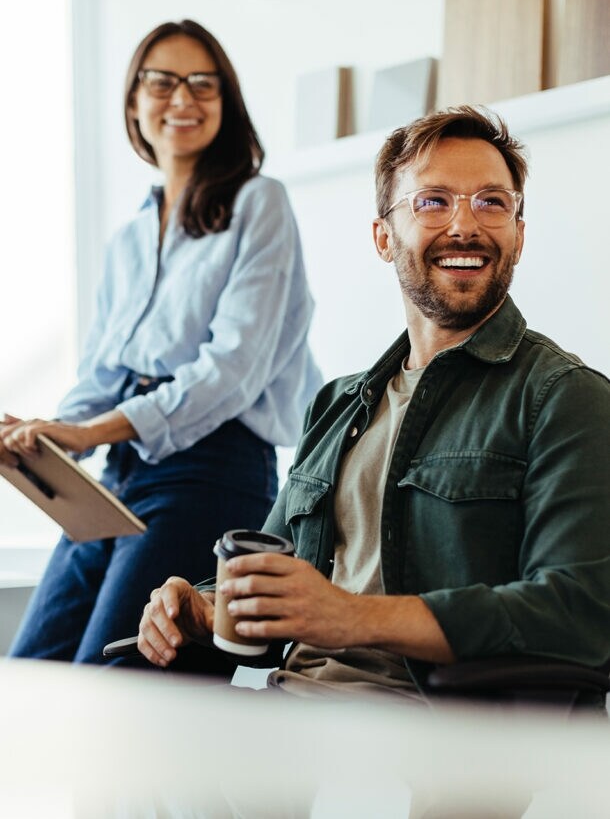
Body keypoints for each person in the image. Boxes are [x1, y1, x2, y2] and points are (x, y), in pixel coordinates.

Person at [135, 105, 610, 703]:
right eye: (433, 201)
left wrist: (351, 617)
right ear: (384, 237)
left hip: (423, 737)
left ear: (519, 232)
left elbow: (579, 613)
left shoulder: (565, 399)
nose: (466, 226)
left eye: (492, 202)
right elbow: (276, 574)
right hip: (283, 710)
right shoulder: (337, 404)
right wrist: (203, 606)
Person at [0, 19, 321, 665]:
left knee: (112, 679)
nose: (183, 99)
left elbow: (232, 369)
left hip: (211, 472)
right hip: (119, 476)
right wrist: (45, 434)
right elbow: (101, 372)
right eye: (163, 82)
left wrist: (91, 433)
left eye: (204, 84)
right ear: (133, 103)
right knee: (31, 670)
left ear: (226, 104)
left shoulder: (261, 204)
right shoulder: (128, 239)